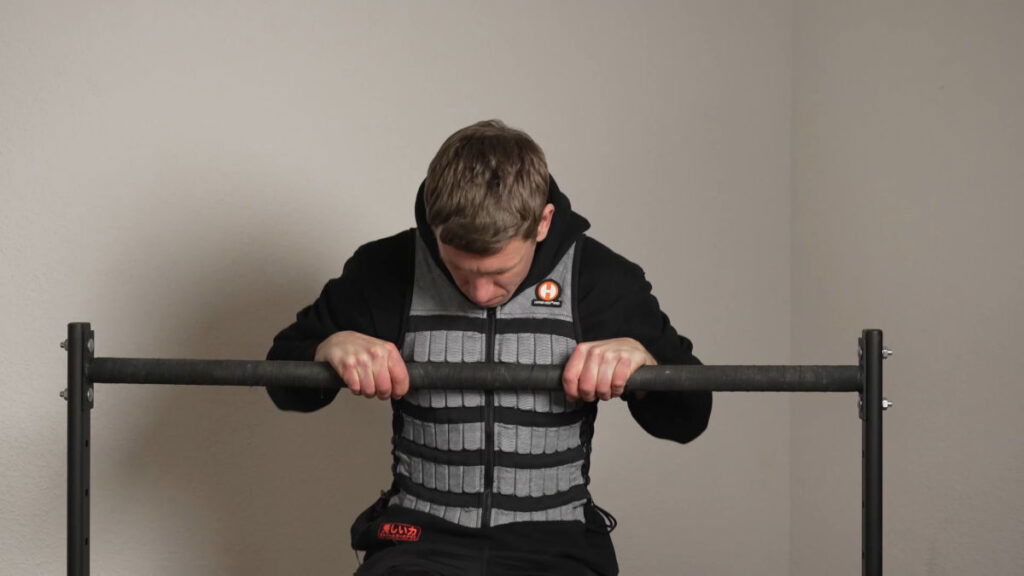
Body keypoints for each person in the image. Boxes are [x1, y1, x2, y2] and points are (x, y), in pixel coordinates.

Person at [266, 120, 712, 576]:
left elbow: (689, 420)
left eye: (500, 273)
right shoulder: (385, 270)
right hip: (420, 539)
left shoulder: (599, 278)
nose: (480, 294)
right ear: (434, 227)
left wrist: (645, 368)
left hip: (556, 545)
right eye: (461, 271)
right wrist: (328, 348)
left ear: (543, 222)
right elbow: (283, 383)